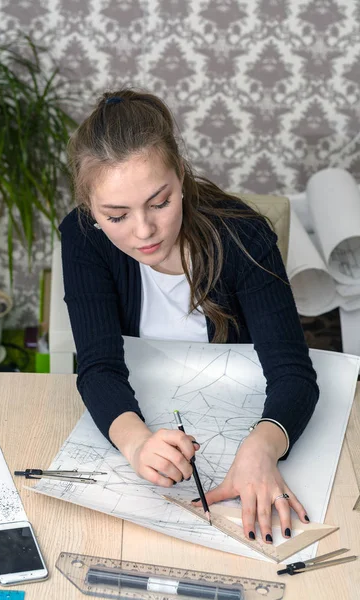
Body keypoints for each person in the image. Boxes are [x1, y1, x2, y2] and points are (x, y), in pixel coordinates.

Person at [60, 88, 319, 546]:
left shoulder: (245, 238)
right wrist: (138, 444)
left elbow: (294, 374)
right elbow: (97, 367)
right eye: (116, 216)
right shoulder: (83, 238)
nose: (144, 231)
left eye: (160, 203)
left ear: (181, 177)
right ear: (91, 209)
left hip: (241, 419)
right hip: (147, 417)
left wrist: (262, 449)